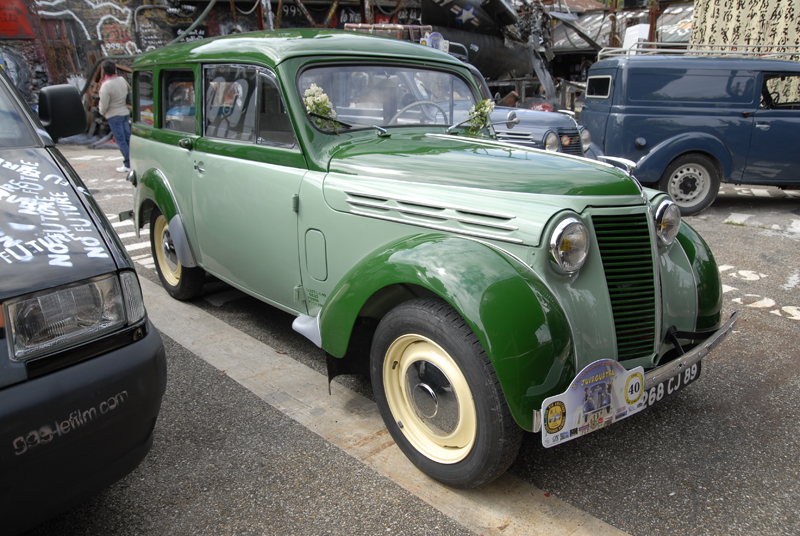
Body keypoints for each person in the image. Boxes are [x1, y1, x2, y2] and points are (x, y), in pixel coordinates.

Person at [98, 60, 131, 172]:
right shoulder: (122, 80)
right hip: (125, 113)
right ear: (115, 70)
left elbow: (103, 105)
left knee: (121, 141)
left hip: (113, 115)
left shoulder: (106, 86)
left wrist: (102, 113)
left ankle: (128, 164)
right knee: (128, 139)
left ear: (104, 72)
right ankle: (134, 162)